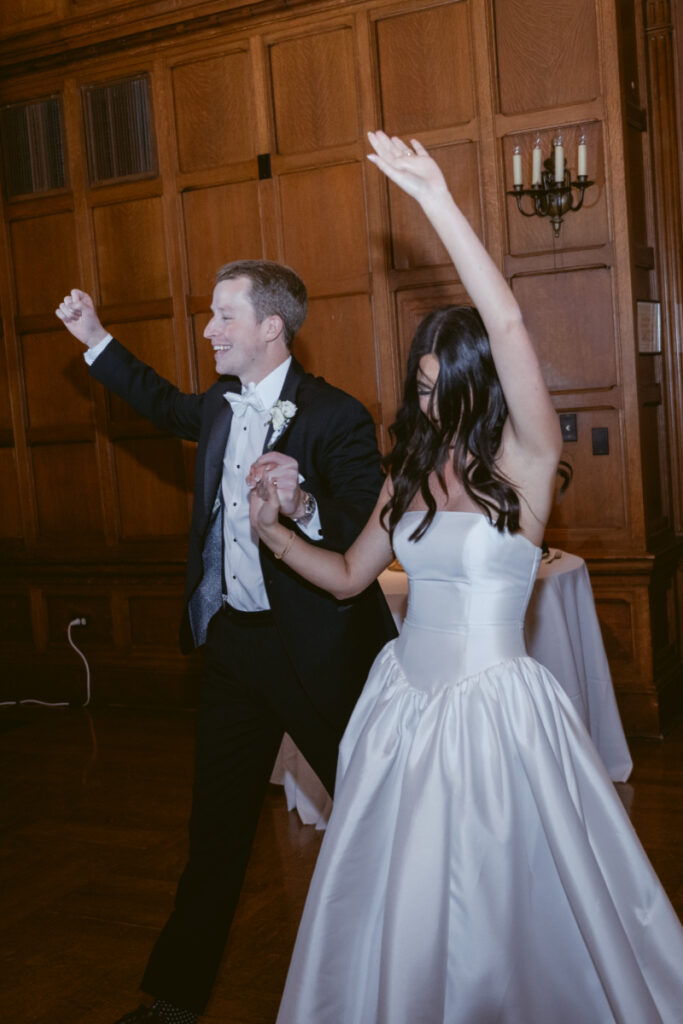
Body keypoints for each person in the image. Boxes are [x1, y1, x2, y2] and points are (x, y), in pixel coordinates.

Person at [248, 132, 683, 1023]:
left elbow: (511, 323)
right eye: (415, 381)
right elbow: (343, 578)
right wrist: (278, 532)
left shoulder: (525, 464)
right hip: (403, 706)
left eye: (439, 380)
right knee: (395, 908)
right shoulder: (403, 475)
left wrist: (435, 202)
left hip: (494, 713)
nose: (422, 397)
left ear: (479, 383)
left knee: (507, 905)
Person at [55, 260, 396, 1024]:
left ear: (270, 327)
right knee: (213, 831)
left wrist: (302, 499)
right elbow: (158, 402)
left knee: (380, 815)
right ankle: (172, 998)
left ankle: (415, 977)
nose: (208, 330)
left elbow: (364, 530)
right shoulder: (215, 404)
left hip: (322, 651)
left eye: (223, 317)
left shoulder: (336, 416)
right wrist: (95, 338)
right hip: (236, 651)